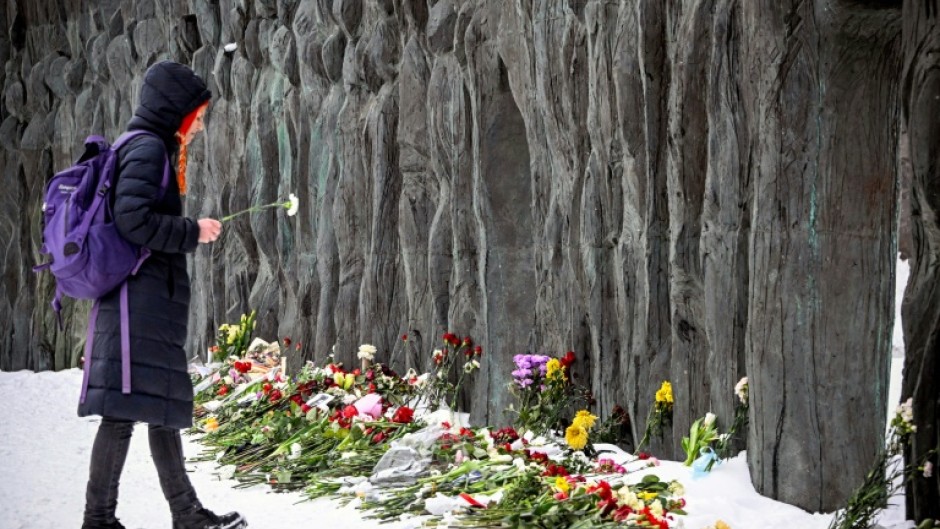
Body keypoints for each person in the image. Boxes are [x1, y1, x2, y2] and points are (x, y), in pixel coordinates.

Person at [77, 61, 246, 529]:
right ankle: (99, 520)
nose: (202, 124)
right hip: (138, 303)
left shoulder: (148, 147)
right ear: (176, 110)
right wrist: (192, 231)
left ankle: (186, 514)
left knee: (162, 405)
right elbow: (133, 221)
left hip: (145, 301)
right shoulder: (148, 150)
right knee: (123, 410)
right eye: (198, 114)